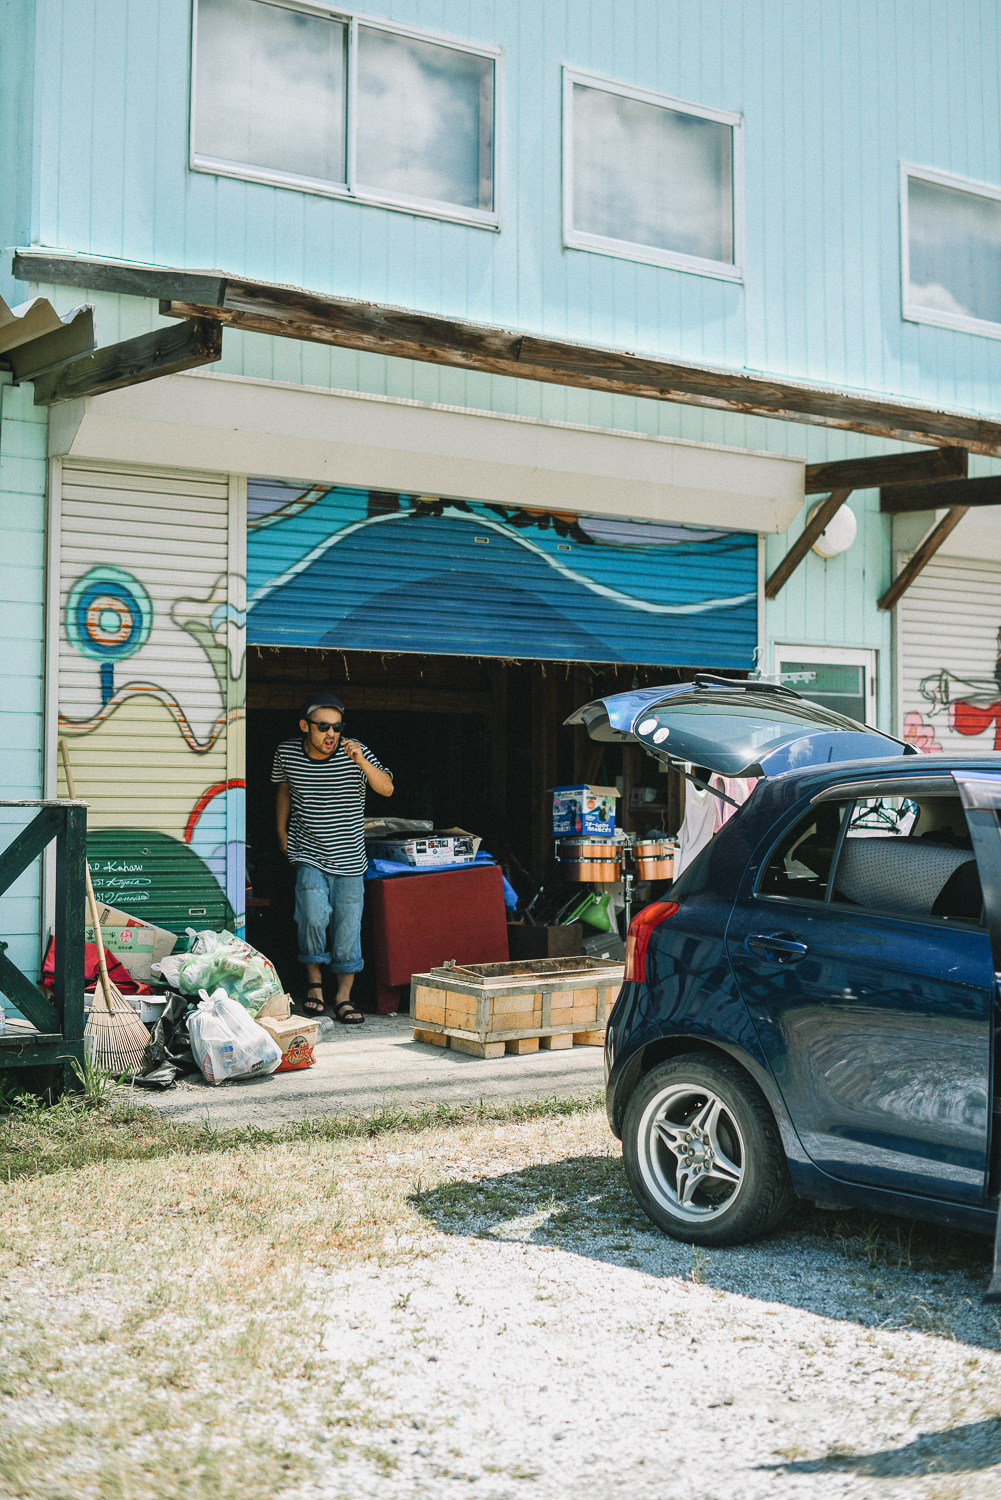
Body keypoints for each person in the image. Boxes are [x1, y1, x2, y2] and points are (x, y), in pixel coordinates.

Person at [272, 693, 393, 1023]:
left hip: (350, 859)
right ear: (304, 726)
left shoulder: (356, 752)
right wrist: (281, 832)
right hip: (308, 852)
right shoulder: (286, 752)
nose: (331, 734)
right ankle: (314, 985)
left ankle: (343, 996)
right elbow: (284, 788)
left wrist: (361, 761)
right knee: (311, 916)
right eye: (323, 726)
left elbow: (386, 788)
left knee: (347, 929)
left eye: (337, 728)